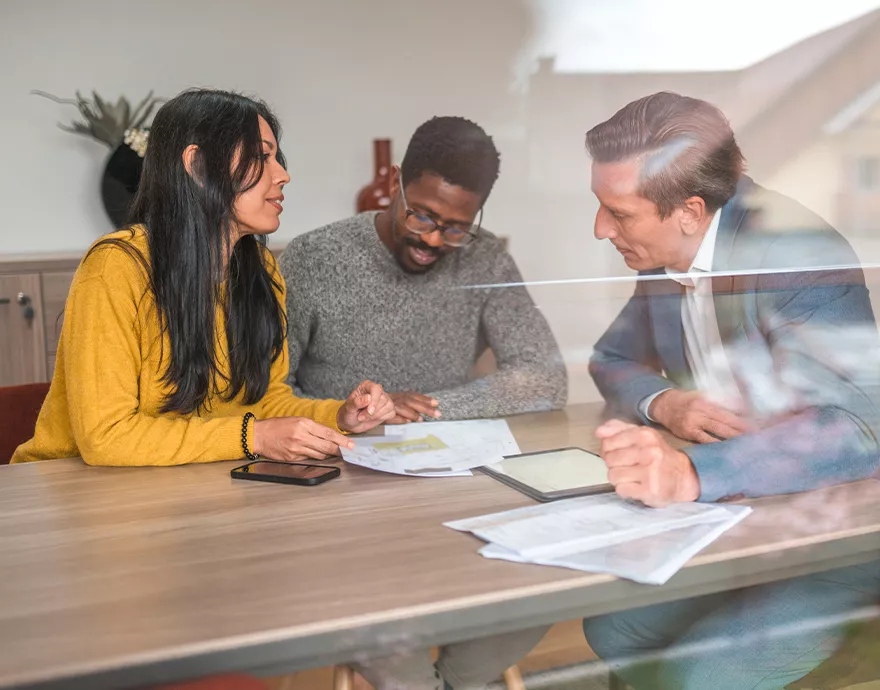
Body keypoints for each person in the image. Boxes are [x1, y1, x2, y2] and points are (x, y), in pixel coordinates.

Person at [581, 92, 880, 689]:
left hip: (837, 534)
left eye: (618, 212)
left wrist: (694, 473)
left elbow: (859, 428)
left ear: (690, 211)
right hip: (742, 518)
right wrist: (665, 401)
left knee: (701, 674)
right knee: (613, 628)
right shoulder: (661, 257)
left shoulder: (798, 252)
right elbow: (610, 358)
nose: (599, 230)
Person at [12, 89, 394, 467]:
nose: (283, 175)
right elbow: (106, 437)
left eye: (277, 157)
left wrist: (339, 417)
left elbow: (263, 403)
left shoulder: (260, 269)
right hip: (64, 492)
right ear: (197, 166)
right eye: (262, 157)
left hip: (185, 489)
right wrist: (253, 437)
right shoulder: (116, 265)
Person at [279, 116, 567, 423]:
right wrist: (357, 415)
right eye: (422, 216)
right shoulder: (313, 257)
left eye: (457, 228)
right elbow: (270, 394)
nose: (432, 238)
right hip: (338, 456)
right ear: (394, 183)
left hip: (452, 457)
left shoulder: (485, 257)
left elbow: (546, 379)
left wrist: (422, 409)